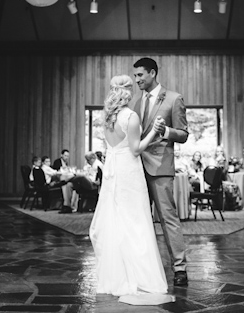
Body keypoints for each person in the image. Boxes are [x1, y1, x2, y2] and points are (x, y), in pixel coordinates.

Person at [89, 74, 172, 303]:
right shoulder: (130, 116)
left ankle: (117, 275)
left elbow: (112, 147)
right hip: (129, 172)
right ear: (128, 91)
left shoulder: (106, 117)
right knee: (136, 221)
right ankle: (140, 276)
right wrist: (155, 131)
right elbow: (136, 149)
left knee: (116, 220)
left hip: (113, 173)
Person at [131, 57, 189, 287]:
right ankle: (143, 268)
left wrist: (165, 132)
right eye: (135, 76)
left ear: (152, 73)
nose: (137, 80)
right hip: (136, 168)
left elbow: (183, 134)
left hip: (160, 167)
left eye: (140, 75)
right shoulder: (135, 102)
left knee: (168, 218)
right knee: (139, 219)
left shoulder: (174, 98)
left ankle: (179, 267)